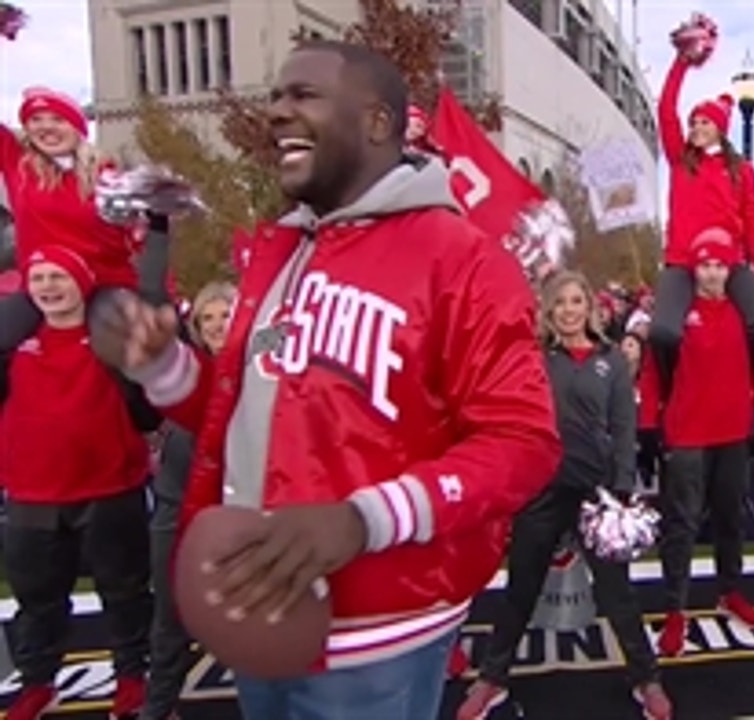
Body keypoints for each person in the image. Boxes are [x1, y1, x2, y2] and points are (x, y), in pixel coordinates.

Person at [94, 40, 561, 720]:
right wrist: (164, 367)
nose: (277, 112)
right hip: (260, 607)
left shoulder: (464, 259)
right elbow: (250, 415)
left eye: (303, 96)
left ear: (376, 122)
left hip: (379, 637)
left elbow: (524, 445)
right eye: (277, 97)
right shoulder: (278, 250)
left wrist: (362, 520)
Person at [457, 271, 672, 720]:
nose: (570, 310)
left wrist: (622, 488)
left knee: (618, 594)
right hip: (543, 489)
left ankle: (645, 677)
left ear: (589, 307)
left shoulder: (611, 359)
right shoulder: (533, 358)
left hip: (597, 494)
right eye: (561, 303)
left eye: (577, 301)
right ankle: (493, 679)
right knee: (521, 588)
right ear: (549, 311)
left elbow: (624, 426)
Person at [0, 246, 154, 720]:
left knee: (124, 591)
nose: (48, 286)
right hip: (31, 492)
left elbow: (147, 409)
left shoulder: (109, 336)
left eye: (58, 277)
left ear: (82, 282)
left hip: (110, 487)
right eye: (39, 277)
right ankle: (38, 684)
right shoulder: (11, 342)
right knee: (37, 599)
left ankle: (131, 678)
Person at [638, 229, 754, 658]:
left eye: (720, 265)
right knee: (680, 526)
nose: (713, 274)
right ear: (693, 270)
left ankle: (729, 589)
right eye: (705, 265)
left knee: (731, 519)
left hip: (733, 433)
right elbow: (652, 374)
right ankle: (675, 609)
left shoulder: (744, 316)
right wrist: (647, 428)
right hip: (687, 436)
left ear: (730, 270)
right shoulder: (676, 317)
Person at [0, 85, 171, 354]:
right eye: (36, 120)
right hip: (44, 288)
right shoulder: (19, 164)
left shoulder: (107, 176)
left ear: (77, 126)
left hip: (102, 286)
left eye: (57, 119)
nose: (47, 127)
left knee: (128, 350)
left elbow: (138, 240)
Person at [649, 44, 754, 393]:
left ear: (720, 128)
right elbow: (665, 109)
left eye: (704, 121)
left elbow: (753, 220)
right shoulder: (681, 160)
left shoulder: (743, 172)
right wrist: (681, 62)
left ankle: (743, 377)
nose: (695, 127)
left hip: (729, 262)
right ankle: (671, 387)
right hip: (681, 262)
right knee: (662, 332)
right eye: (693, 122)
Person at [141, 280, 235, 720]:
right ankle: (158, 709)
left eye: (225, 314)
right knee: (170, 619)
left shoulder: (265, 374)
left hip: (242, 516)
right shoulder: (189, 372)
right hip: (177, 515)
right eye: (207, 318)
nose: (217, 325)